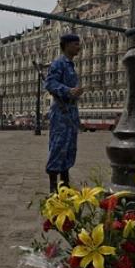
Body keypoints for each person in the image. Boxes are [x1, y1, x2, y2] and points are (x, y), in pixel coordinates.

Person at [44, 33, 85, 193]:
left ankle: (65, 184)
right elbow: (50, 83)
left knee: (69, 147)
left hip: (70, 112)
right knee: (58, 146)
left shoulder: (70, 64)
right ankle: (53, 187)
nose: (78, 47)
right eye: (75, 44)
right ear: (66, 45)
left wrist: (74, 93)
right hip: (61, 112)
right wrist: (68, 91)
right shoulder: (58, 63)